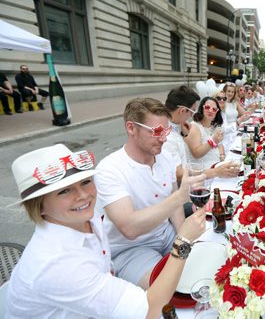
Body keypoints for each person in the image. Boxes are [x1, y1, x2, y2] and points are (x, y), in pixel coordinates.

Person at [6, 143, 206, 318]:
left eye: (85, 182)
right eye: (64, 191)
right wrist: (183, 241)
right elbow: (149, 310)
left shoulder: (88, 216)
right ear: (38, 206)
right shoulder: (56, 263)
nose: (83, 195)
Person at [94, 98, 190, 290]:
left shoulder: (165, 156)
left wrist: (182, 237)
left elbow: (175, 207)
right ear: (131, 128)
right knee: (168, 288)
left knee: (201, 265)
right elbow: (129, 228)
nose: (163, 138)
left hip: (167, 234)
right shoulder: (110, 169)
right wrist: (179, 197)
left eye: (167, 130)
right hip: (132, 249)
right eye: (156, 131)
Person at [161, 86, 240, 186]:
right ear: (182, 110)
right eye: (192, 111)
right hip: (184, 188)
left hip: (199, 173)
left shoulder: (179, 126)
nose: (191, 115)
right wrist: (215, 172)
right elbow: (179, 174)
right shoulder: (167, 137)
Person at [184, 96, 225, 169]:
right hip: (202, 171)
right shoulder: (194, 127)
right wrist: (213, 141)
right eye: (207, 107)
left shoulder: (214, 126)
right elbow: (196, 154)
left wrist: (222, 156)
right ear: (201, 108)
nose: (210, 110)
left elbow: (220, 144)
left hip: (217, 165)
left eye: (214, 109)